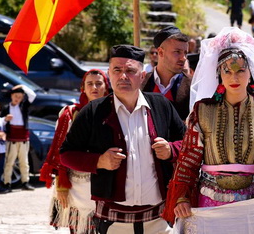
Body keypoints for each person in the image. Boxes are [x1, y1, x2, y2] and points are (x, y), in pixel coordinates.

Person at [163, 28, 254, 223]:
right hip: (211, 202)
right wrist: (182, 197)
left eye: (241, 70)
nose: (234, 77)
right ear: (219, 73)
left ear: (250, 72)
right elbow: (188, 159)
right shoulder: (202, 110)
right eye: (227, 71)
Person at [60, 45, 186, 233]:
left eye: (130, 71)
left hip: (158, 218)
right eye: (117, 70)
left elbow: (187, 143)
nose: (123, 76)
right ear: (109, 75)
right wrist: (99, 161)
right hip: (113, 220)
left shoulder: (161, 105)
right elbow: (66, 154)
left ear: (142, 76)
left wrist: (170, 150)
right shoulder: (94, 111)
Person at [40, 70, 110, 233]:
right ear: (83, 88)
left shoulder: (115, 111)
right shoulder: (70, 114)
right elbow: (60, 151)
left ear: (106, 87)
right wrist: (61, 186)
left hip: (106, 180)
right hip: (76, 183)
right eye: (90, 84)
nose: (94, 87)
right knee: (79, 229)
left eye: (99, 83)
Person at [142, 26, 192, 120]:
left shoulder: (192, 86)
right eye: (177, 52)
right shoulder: (141, 84)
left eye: (185, 53)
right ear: (160, 52)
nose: (183, 58)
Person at [1, 85, 37, 191]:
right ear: (11, 96)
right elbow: (1, 121)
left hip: (23, 138)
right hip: (11, 138)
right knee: (9, 161)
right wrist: (5, 119)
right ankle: (7, 183)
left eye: (20, 97)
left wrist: (23, 86)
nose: (17, 99)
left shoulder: (23, 106)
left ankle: (25, 181)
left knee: (24, 161)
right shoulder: (7, 108)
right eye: (16, 96)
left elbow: (33, 95)